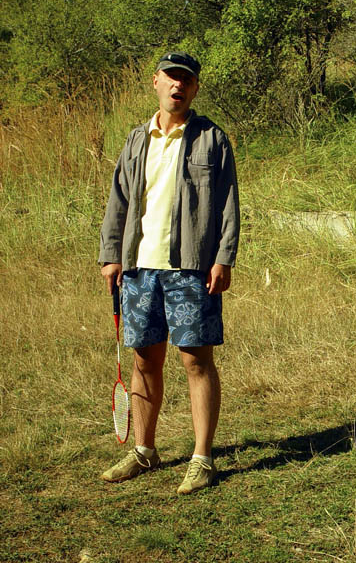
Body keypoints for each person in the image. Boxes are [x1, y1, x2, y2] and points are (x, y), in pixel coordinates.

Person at [98, 51, 240, 494]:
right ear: (156, 82)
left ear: (195, 89)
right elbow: (119, 200)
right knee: (144, 360)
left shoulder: (211, 138)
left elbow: (229, 203)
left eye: (186, 80)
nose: (178, 85)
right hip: (139, 268)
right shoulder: (136, 139)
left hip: (191, 268)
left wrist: (223, 257)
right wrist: (110, 255)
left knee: (196, 360)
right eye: (171, 77)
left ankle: (202, 460)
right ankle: (144, 451)